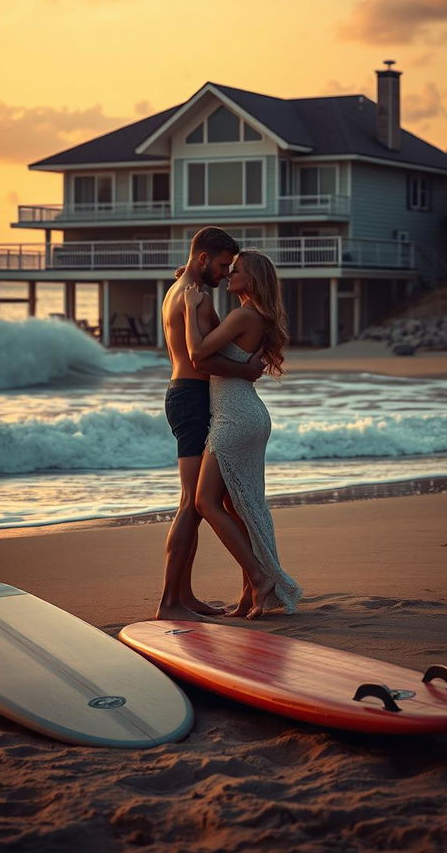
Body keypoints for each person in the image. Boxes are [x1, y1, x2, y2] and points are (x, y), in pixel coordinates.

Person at [184, 250, 302, 619]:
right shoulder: (257, 316)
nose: (230, 275)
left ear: (251, 279)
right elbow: (231, 359)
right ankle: (251, 595)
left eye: (236, 271)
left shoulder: (243, 315)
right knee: (243, 509)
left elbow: (198, 352)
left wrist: (189, 307)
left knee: (205, 501)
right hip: (247, 413)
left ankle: (259, 577)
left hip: (235, 417)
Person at [158, 227, 266, 621]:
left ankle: (184, 596)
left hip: (188, 396)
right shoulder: (196, 299)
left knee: (198, 503)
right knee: (191, 503)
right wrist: (246, 370)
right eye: (222, 265)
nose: (224, 274)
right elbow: (200, 359)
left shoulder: (181, 289)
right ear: (203, 258)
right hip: (190, 398)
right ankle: (169, 602)